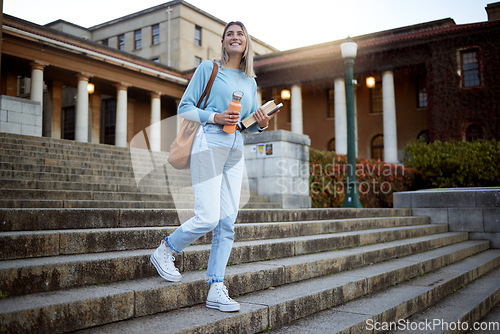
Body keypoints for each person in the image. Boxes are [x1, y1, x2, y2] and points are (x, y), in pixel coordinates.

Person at [150, 21, 278, 313]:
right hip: (208, 142)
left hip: (236, 149)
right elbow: (185, 107)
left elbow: (247, 123)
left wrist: (261, 122)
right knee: (208, 217)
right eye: (230, 34)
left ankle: (216, 286)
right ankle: (166, 249)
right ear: (223, 42)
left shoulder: (250, 81)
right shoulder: (208, 69)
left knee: (227, 223)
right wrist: (214, 117)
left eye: (240, 34)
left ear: (247, 43)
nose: (235, 38)